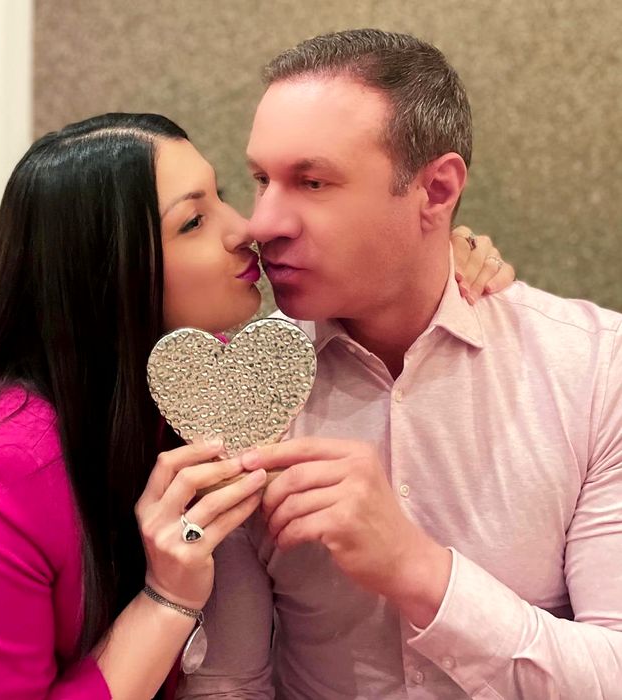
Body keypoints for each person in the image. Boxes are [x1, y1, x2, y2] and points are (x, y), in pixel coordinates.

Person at [0, 112, 507, 699]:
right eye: (193, 221)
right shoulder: (4, 463)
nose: (246, 228)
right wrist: (167, 598)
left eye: (223, 196)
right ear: (106, 271)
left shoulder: (193, 391)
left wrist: (431, 259)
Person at [177, 30, 622, 700]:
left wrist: (418, 570)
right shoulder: (242, 390)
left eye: (312, 182)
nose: (262, 223)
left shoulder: (595, 368)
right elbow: (229, 682)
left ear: (436, 191)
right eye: (262, 180)